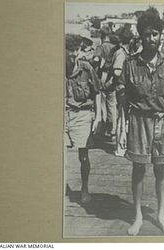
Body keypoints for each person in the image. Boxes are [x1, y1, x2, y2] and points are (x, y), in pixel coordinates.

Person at [118, 7, 164, 236]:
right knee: (138, 169)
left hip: (162, 122)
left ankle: (161, 215)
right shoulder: (130, 63)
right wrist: (121, 129)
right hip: (138, 122)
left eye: (155, 33)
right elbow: (123, 99)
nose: (151, 38)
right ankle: (138, 216)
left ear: (160, 35)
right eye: (146, 34)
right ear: (140, 35)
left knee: (161, 171)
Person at [65, 35, 102, 203]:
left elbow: (97, 93)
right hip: (63, 115)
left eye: (76, 50)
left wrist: (98, 117)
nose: (73, 54)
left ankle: (84, 188)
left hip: (82, 115)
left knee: (84, 156)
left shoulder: (86, 68)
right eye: (69, 50)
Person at [110, 26, 133, 156]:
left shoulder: (122, 51)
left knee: (123, 117)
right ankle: (119, 148)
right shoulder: (121, 53)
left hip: (122, 88)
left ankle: (121, 146)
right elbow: (117, 71)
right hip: (121, 88)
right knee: (122, 118)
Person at [94, 26, 118, 139]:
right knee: (112, 105)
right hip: (113, 78)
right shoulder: (115, 47)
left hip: (103, 77)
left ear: (102, 36)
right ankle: (113, 129)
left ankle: (103, 129)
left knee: (102, 104)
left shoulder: (101, 47)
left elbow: (96, 60)